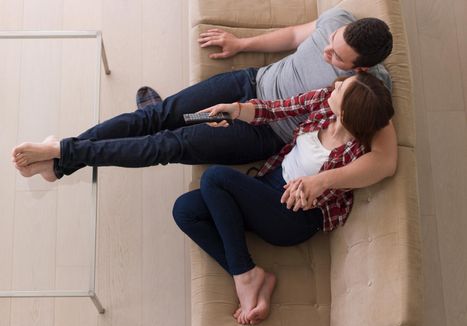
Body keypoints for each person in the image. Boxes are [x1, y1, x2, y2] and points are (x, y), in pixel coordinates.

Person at [11, 8, 397, 208]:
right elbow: (299, 34)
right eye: (330, 42)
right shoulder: (339, 21)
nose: (326, 51)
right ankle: (60, 164)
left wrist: (323, 181)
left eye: (337, 58)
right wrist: (241, 43)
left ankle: (63, 151)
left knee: (168, 144)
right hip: (249, 84)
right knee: (155, 117)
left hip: (263, 130)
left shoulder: (370, 88)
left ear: (360, 68)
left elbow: (385, 161)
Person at [172, 72, 395, 326]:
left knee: (215, 178)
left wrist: (318, 184)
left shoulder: (357, 153)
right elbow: (276, 109)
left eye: (342, 88)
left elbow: (380, 166)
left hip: (294, 217)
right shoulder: (324, 102)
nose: (336, 83)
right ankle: (254, 274)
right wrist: (235, 110)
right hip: (268, 185)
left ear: (348, 113)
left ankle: (243, 277)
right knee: (185, 211)